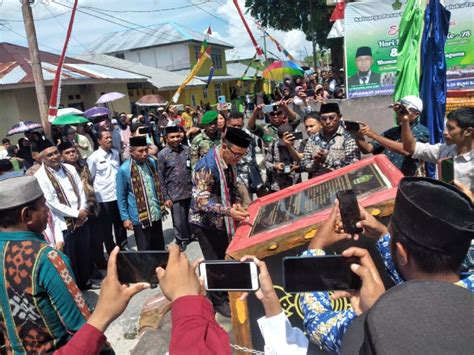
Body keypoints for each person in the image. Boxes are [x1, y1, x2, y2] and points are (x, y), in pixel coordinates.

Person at [300, 177, 474, 354]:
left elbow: (317, 324)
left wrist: (315, 248)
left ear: (401, 253)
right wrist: (383, 234)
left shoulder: (380, 326)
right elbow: (422, 276)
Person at [0, 176, 91, 353]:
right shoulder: (47, 258)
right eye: (43, 205)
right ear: (26, 215)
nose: (48, 211)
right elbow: (80, 326)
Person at [189, 127, 251, 316]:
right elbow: (201, 200)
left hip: (222, 219)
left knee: (224, 256)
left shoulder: (229, 160)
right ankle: (218, 301)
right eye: (237, 155)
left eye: (242, 155)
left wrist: (238, 203)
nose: (238, 159)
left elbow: (232, 186)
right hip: (205, 223)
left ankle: (226, 290)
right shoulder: (206, 166)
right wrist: (229, 211)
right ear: (224, 147)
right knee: (214, 262)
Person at [34, 140, 91, 289]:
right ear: (42, 158)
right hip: (63, 223)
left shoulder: (69, 168)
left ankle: (85, 283)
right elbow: (51, 202)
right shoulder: (41, 176)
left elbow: (81, 190)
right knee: (69, 257)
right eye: (50, 155)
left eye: (56, 153)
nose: (54, 157)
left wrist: (82, 211)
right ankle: (73, 288)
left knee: (83, 252)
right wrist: (75, 214)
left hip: (80, 217)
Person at [401, 107, 473, 193]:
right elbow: (411, 147)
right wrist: (405, 121)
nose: (445, 132)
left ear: (468, 131)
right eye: (446, 127)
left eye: (451, 128)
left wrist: (469, 195)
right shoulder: (445, 149)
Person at [354, 96, 430, 176]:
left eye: (402, 112)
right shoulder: (392, 132)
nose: (398, 115)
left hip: (407, 182)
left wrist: (374, 135)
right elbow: (368, 148)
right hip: (388, 178)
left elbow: (407, 150)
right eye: (398, 111)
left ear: (416, 114)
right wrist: (356, 134)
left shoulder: (422, 131)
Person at [116, 135, 166, 250]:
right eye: (140, 151)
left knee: (159, 247)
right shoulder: (124, 169)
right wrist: (125, 218)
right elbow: (121, 196)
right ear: (132, 152)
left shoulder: (151, 163)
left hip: (155, 213)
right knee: (145, 250)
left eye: (146, 150)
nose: (144, 154)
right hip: (139, 217)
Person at [88, 130, 127, 258]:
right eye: (106, 138)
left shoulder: (115, 153)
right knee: (106, 227)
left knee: (120, 224)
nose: (110, 140)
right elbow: (90, 178)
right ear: (99, 141)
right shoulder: (93, 158)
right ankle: (112, 251)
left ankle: (122, 247)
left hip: (118, 195)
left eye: (110, 137)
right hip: (103, 198)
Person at [157, 126, 193, 251]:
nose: (176, 139)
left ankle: (190, 235)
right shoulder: (162, 155)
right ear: (166, 138)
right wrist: (165, 197)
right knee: (178, 220)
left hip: (189, 189)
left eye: (178, 136)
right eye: (172, 137)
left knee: (190, 215)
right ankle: (181, 239)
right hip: (174, 193)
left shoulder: (187, 150)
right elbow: (160, 177)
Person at [302, 102, 361, 178]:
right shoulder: (313, 138)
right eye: (324, 119)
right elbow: (303, 163)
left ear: (339, 117)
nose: (328, 122)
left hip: (341, 186)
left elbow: (353, 168)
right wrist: (314, 163)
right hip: (318, 186)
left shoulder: (348, 138)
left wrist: (326, 160)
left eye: (332, 118)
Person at [226, 112, 264, 207]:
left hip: (254, 173)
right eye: (234, 125)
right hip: (239, 177)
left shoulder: (248, 134)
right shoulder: (226, 138)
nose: (237, 128)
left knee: (264, 201)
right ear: (228, 124)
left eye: (239, 125)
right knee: (247, 205)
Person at [265, 124, 301, 192]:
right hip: (277, 186)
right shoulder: (273, 145)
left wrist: (295, 168)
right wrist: (275, 166)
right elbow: (266, 163)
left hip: (295, 185)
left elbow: (305, 163)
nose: (284, 143)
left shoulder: (299, 145)